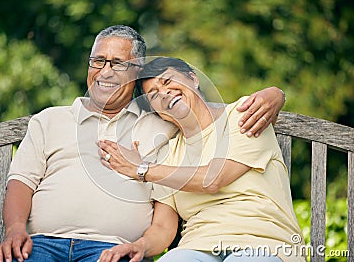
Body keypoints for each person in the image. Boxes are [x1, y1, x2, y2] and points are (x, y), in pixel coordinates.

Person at [0, 25, 286, 262]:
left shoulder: (164, 129)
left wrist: (276, 93)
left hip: (110, 250)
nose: (105, 71)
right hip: (40, 245)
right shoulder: (51, 120)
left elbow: (207, 176)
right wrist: (15, 229)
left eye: (118, 63)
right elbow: (21, 181)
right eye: (98, 61)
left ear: (135, 75)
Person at [98, 57, 305, 262]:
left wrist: (141, 169)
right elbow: (163, 226)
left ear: (193, 79)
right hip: (196, 248)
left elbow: (212, 179)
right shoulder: (168, 154)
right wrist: (138, 246)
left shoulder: (242, 115)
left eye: (168, 81)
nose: (164, 93)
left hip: (263, 244)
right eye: (153, 95)